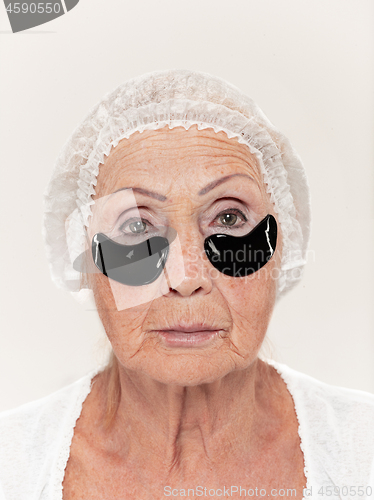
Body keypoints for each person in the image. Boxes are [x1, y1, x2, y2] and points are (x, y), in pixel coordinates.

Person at [0, 70, 373, 500]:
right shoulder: (13, 469)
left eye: (229, 219)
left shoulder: (364, 456)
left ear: (282, 244)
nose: (186, 278)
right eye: (136, 225)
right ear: (86, 258)